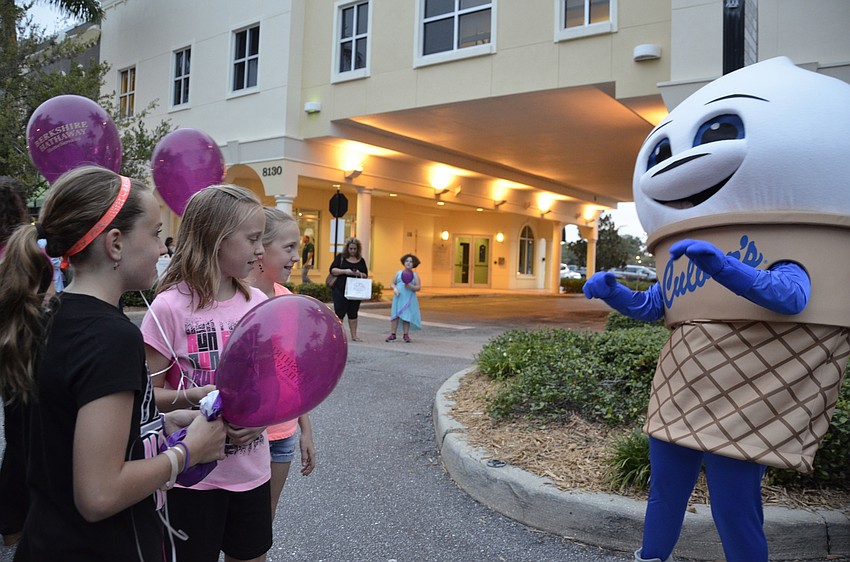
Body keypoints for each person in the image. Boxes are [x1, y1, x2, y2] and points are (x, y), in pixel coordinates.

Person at [0, 166, 226, 561]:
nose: (162, 249)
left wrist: (160, 423)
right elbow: (99, 494)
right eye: (155, 233)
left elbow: (66, 424)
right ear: (116, 244)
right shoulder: (111, 336)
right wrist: (189, 451)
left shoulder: (50, 314)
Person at [141, 184, 273, 562]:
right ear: (216, 240)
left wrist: (263, 420)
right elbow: (146, 397)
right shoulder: (168, 308)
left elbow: (271, 383)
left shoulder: (259, 304)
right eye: (252, 239)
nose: (260, 250)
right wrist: (195, 397)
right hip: (190, 477)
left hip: (250, 471)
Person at [247, 207, 316, 519]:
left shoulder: (287, 298)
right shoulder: (235, 298)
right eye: (289, 248)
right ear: (261, 248)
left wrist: (305, 429)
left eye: (297, 248)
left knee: (263, 523)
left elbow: (293, 369)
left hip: (283, 434)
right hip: (244, 437)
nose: (296, 257)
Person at [0, 177, 29, 547]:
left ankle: (10, 522)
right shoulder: (25, 252)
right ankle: (14, 522)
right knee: (23, 439)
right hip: (25, 353)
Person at [329, 237, 368, 342]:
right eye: (351, 248)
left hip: (355, 292)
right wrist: (346, 271)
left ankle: (354, 335)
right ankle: (337, 335)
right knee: (339, 313)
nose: (352, 251)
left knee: (353, 312)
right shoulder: (340, 257)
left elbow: (365, 274)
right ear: (347, 248)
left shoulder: (361, 260)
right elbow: (333, 270)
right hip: (340, 290)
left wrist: (359, 273)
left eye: (355, 249)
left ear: (358, 249)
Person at [385, 253, 422, 343]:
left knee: (406, 316)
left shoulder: (415, 275)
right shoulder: (398, 273)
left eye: (411, 262)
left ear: (414, 264)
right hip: (398, 297)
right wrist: (395, 288)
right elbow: (392, 283)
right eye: (407, 261)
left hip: (408, 298)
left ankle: (406, 335)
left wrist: (411, 287)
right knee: (395, 315)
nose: (408, 263)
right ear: (404, 262)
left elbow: (418, 287)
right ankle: (393, 334)